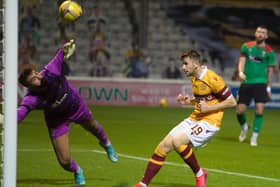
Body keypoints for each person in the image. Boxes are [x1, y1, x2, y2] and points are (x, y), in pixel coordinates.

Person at [17, 40, 118, 185]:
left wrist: (65, 47)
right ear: (29, 86)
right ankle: (77, 170)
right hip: (57, 120)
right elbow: (21, 112)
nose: (38, 77)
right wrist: (7, 120)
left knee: (93, 126)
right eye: (33, 79)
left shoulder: (51, 71)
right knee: (64, 161)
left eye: (36, 73)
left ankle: (106, 144)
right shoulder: (32, 98)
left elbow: (60, 53)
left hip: (75, 106)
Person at [133, 50, 236, 187]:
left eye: (186, 64)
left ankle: (199, 174)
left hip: (210, 122)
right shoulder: (194, 77)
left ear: (196, 64)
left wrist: (208, 109)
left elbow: (232, 102)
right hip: (195, 118)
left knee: (177, 141)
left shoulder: (212, 78)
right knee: (163, 146)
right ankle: (143, 184)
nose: (183, 67)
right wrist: (189, 101)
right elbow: (205, 99)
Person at [236, 26, 276, 146]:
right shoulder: (246, 46)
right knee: (239, 111)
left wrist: (268, 87)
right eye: (258, 32)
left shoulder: (269, 51)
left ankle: (254, 138)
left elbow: (270, 71)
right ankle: (244, 128)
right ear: (255, 33)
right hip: (247, 82)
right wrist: (240, 72)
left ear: (266, 36)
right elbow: (242, 61)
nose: (260, 34)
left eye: (263, 33)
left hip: (261, 83)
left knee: (259, 110)